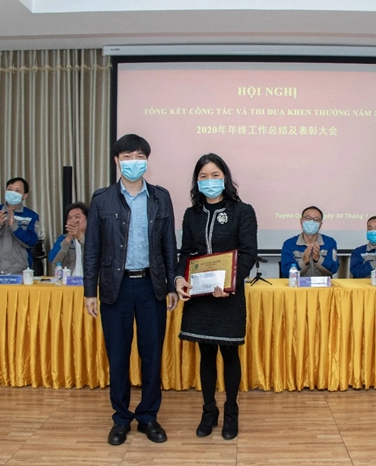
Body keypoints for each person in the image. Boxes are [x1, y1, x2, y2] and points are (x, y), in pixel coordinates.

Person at [83, 134, 179, 446]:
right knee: (118, 356)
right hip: (116, 288)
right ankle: (121, 418)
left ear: (147, 161)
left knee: (152, 355)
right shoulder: (102, 199)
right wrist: (89, 291)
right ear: (117, 161)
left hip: (152, 286)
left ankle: (148, 416)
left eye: (139, 156)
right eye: (127, 156)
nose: (133, 162)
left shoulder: (160, 197)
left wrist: (172, 284)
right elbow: (92, 249)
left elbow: (169, 245)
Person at [174, 153, 258, 441]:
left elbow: (248, 253)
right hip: (200, 296)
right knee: (206, 354)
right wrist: (180, 278)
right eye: (203, 176)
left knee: (230, 353)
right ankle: (208, 411)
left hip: (228, 296)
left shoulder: (242, 211)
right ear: (196, 182)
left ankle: (231, 411)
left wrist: (229, 283)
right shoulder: (191, 214)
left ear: (225, 178)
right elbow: (186, 253)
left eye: (215, 175)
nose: (209, 181)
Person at [0, 177, 40, 275]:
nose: (12, 193)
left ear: (24, 195)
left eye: (17, 191)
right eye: (10, 189)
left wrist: (14, 227)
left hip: (20, 271)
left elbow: (32, 242)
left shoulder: (31, 216)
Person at [280, 206, 339, 278]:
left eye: (316, 219)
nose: (311, 222)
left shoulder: (330, 242)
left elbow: (333, 269)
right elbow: (286, 273)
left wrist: (318, 259)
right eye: (308, 218)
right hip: (298, 285)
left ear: (320, 224)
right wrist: (304, 261)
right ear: (301, 221)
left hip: (322, 285)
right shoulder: (289, 244)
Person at [49, 202, 89, 276]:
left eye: (77, 217)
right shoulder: (63, 238)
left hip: (90, 281)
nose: (73, 221)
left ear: (87, 219)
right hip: (68, 281)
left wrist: (81, 237)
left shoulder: (95, 238)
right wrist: (69, 238)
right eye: (69, 218)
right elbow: (53, 259)